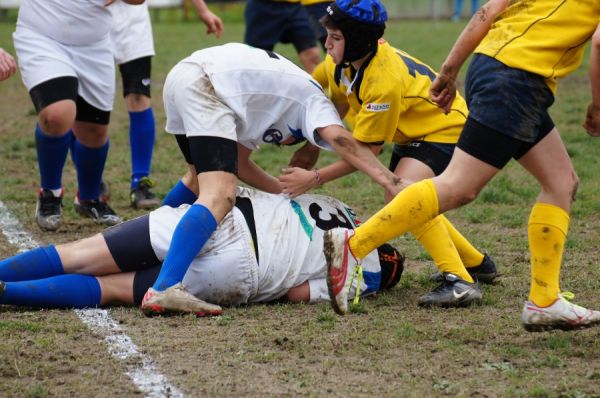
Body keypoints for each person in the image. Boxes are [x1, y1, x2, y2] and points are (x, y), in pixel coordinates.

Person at [324, 0, 600, 332]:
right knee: (459, 187)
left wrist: (450, 69)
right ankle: (353, 246)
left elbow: (488, 11)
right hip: (517, 80)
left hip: (495, 67)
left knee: (561, 182)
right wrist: (597, 105)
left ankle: (544, 300)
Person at [144, 42, 402, 315]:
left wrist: (282, 193)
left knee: (198, 180)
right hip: (208, 86)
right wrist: (389, 181)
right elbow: (342, 140)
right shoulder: (316, 103)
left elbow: (239, 163)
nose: (280, 144)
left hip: (187, 77)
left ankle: (148, 243)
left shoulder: (271, 103)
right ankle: (166, 284)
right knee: (220, 193)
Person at [279, 0, 495, 308]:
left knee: (402, 197)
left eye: (335, 38)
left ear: (359, 41)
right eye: (326, 34)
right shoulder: (340, 61)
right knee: (407, 197)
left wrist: (313, 177)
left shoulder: (383, 81)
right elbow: (318, 96)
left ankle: (460, 281)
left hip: (445, 130)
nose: (326, 44)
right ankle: (477, 263)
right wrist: (302, 140)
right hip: (413, 131)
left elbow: (365, 154)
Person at [0, 187, 404, 314]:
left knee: (79, 254)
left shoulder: (340, 206)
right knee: (112, 289)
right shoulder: (362, 278)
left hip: (223, 219)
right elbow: (296, 293)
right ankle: (7, 294)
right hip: (245, 267)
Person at [11, 0, 145, 231]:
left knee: (93, 132)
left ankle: (89, 198)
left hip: (94, 43)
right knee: (57, 115)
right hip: (42, 35)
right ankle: (50, 193)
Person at [109, 0, 224, 209]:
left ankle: (140, 182)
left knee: (139, 97)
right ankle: (89, 186)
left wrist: (202, 9)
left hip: (133, 25)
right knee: (85, 109)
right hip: (89, 25)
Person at [244, 0, 321, 73]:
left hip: (297, 6)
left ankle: (317, 85)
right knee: (257, 57)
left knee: (311, 54)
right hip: (263, 6)